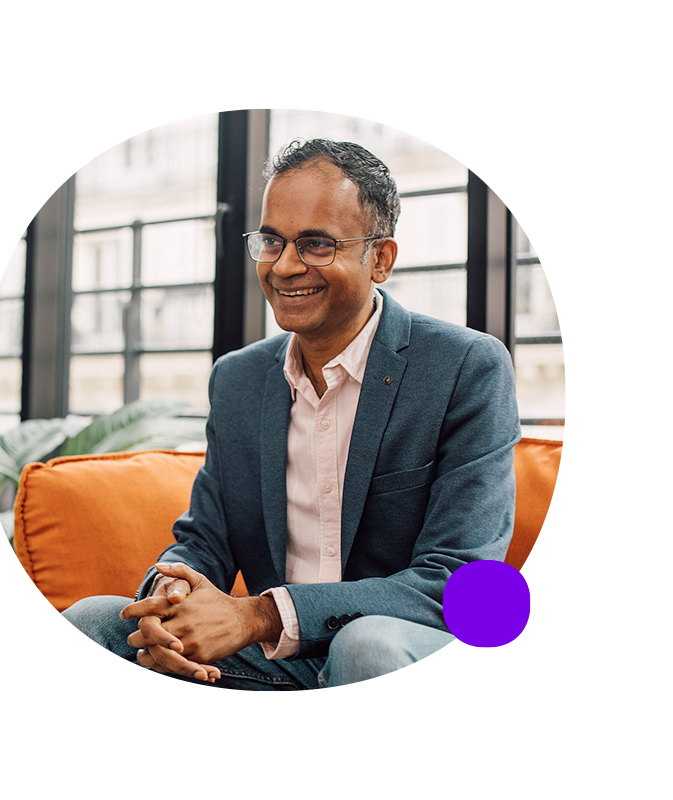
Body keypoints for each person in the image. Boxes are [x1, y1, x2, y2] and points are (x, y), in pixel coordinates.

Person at [63, 138, 521, 689]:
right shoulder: (238, 380)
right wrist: (173, 598)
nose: (283, 266)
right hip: (274, 657)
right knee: (91, 623)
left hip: (402, 647)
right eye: (272, 241)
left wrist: (259, 614)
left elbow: (457, 580)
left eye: (316, 244)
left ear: (380, 258)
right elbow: (205, 538)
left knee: (366, 643)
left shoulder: (465, 367)